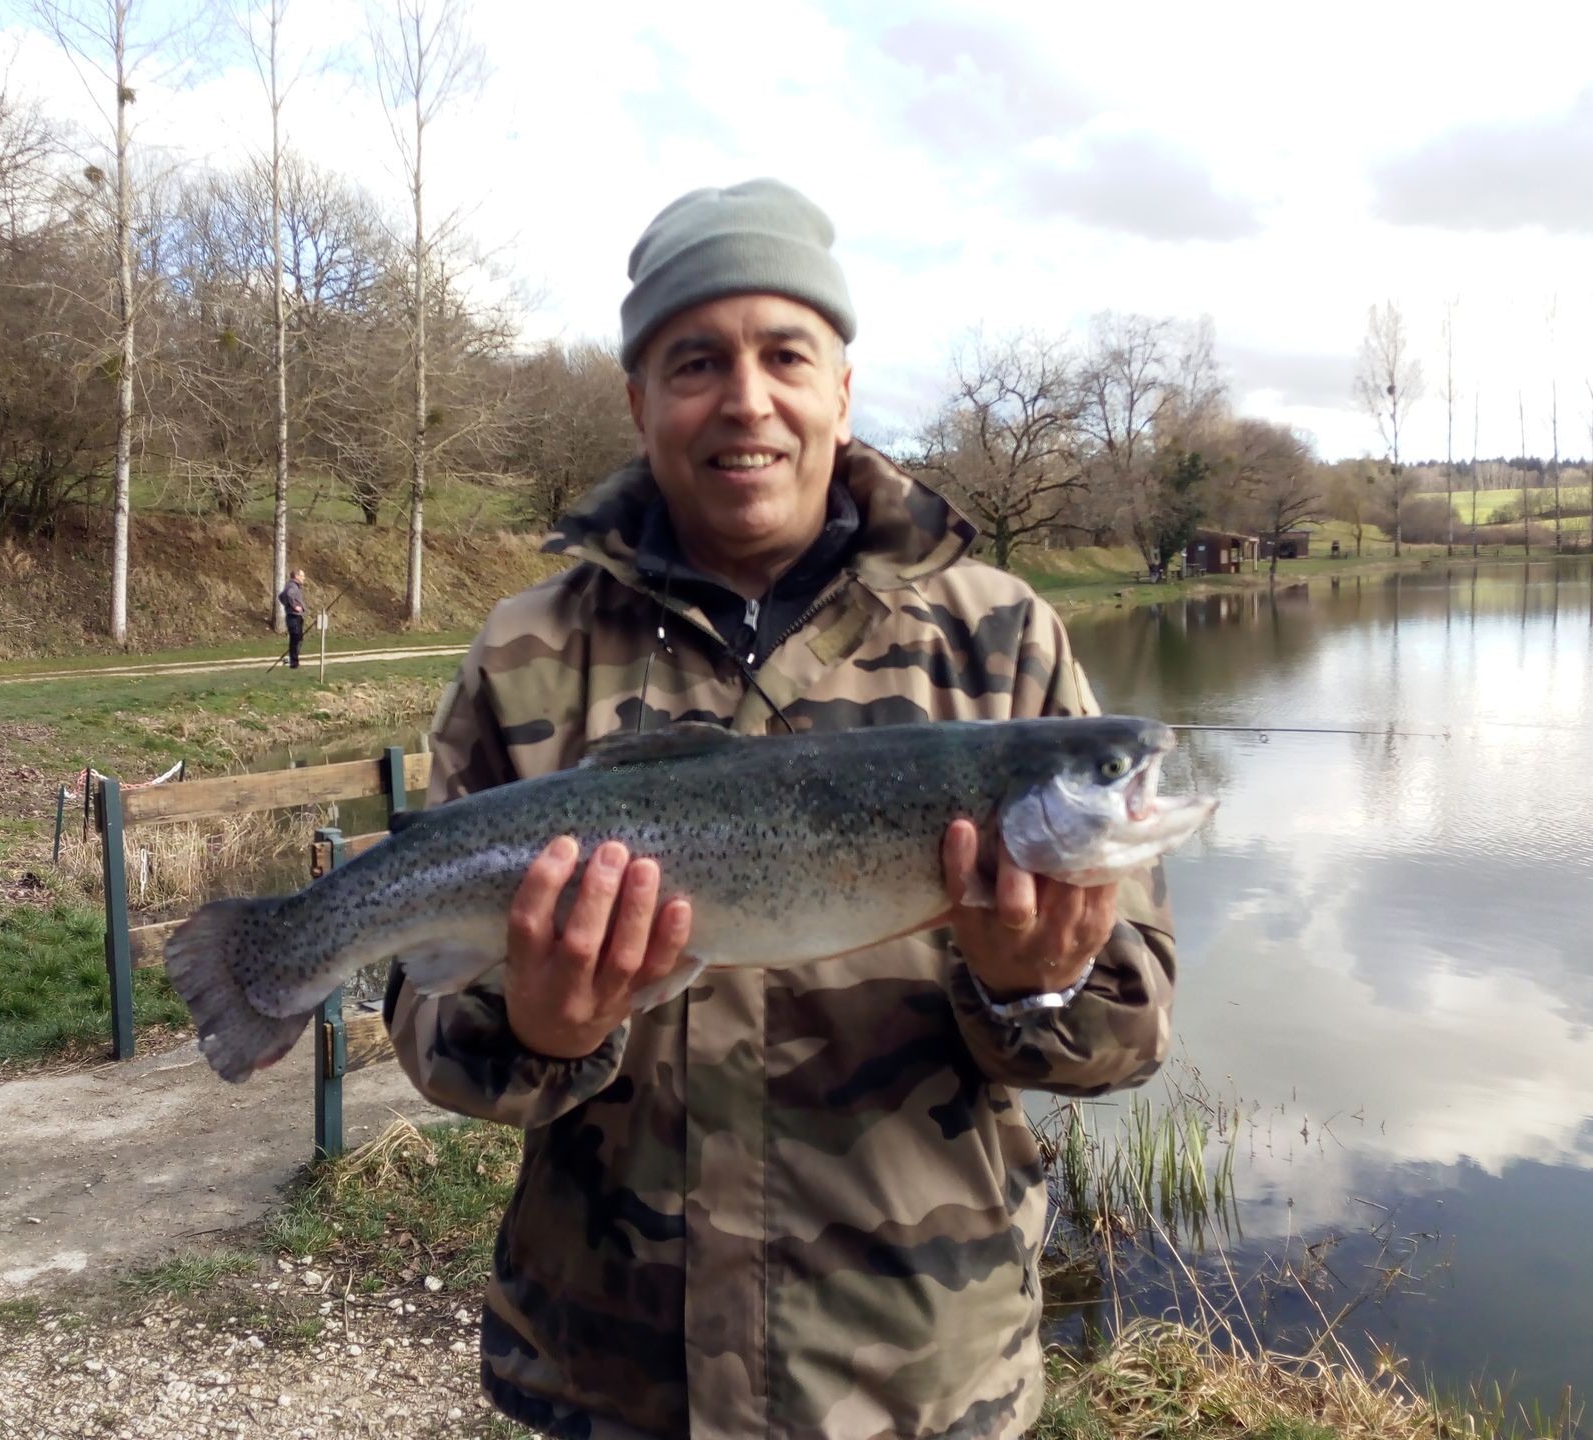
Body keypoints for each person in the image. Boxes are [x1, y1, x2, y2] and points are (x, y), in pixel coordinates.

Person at [387, 178, 1177, 1440]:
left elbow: (1133, 1031)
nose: (746, 399)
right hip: (606, 1383)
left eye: (785, 353)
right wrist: (536, 1028)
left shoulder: (1001, 638)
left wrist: (1040, 991)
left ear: (842, 388)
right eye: (696, 360)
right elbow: (430, 1023)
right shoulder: (524, 652)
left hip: (921, 1383)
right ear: (639, 400)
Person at [279, 568, 307, 669]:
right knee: (296, 639)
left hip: (293, 616)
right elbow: (288, 594)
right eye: (302, 576)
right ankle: (294, 662)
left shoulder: (290, 585)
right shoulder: (293, 586)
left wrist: (287, 605)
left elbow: (281, 596)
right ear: (296, 576)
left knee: (297, 638)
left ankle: (293, 660)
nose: (304, 578)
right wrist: (294, 606)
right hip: (294, 616)